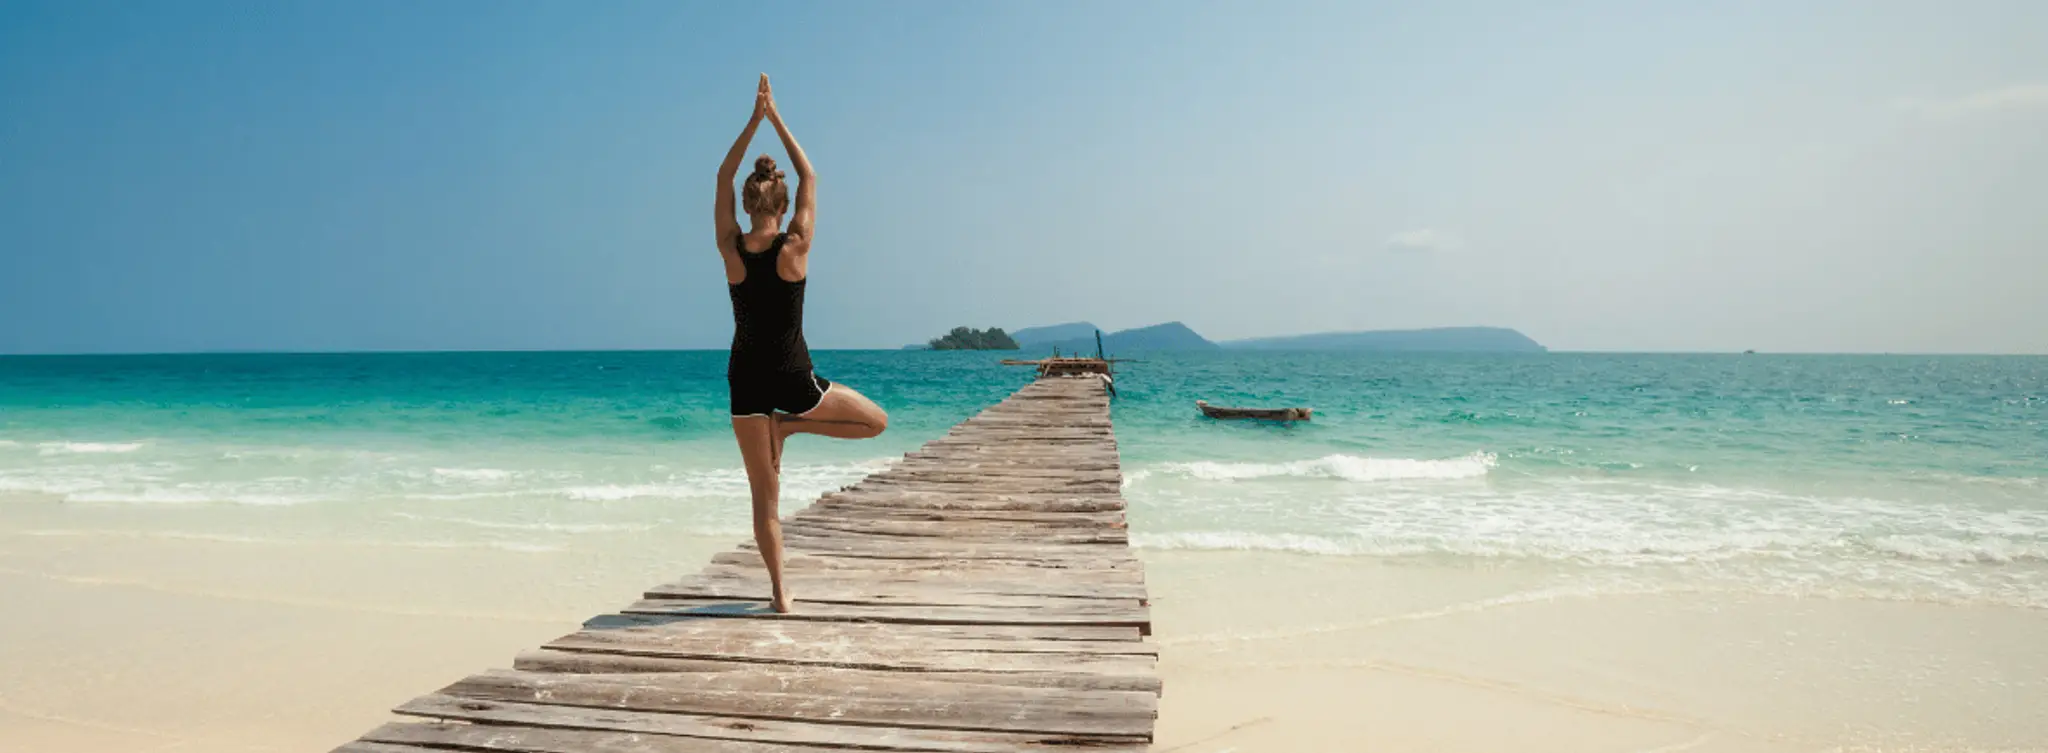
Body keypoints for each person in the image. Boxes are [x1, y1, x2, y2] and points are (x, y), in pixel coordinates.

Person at [714, 74, 887, 613]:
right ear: (784, 204)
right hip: (794, 378)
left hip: (745, 378)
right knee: (874, 421)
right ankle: (791, 425)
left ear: (746, 204)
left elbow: (722, 173)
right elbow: (810, 172)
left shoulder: (731, 248)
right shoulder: (798, 245)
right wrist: (775, 116)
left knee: (764, 498)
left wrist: (752, 120)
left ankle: (780, 594)